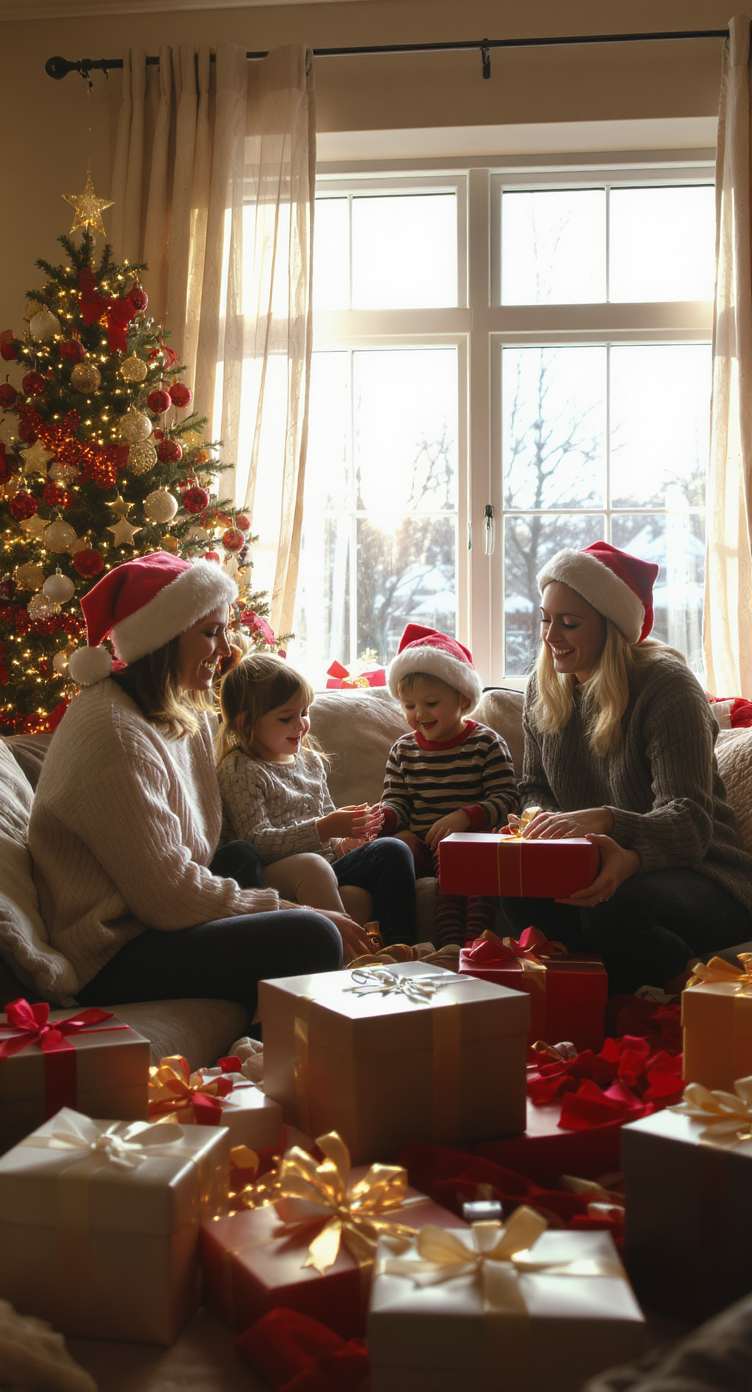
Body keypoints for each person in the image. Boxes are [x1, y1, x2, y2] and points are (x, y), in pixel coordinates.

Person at [28, 552, 370, 1015]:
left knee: (239, 857)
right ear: (163, 638)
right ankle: (267, 1059)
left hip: (150, 918)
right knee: (312, 935)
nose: (227, 649)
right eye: (210, 632)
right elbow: (168, 899)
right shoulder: (116, 735)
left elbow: (200, 856)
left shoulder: (173, 714)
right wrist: (294, 909)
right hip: (114, 951)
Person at [506, 540, 752, 994]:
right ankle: (590, 1002)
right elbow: (533, 785)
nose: (550, 636)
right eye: (545, 619)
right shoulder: (542, 688)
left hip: (706, 873)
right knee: (514, 891)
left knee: (613, 909)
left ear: (611, 625)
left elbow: (690, 821)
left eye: (569, 623)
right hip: (599, 866)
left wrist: (610, 825)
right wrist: (538, 819)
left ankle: (671, 1004)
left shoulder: (667, 687)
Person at [216, 652, 417, 945]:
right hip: (273, 871)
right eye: (287, 717)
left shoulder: (310, 762)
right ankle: (351, 956)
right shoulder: (240, 769)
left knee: (393, 850)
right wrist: (323, 829)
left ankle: (399, 947)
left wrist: (344, 841)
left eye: (304, 713)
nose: (301, 725)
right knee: (313, 865)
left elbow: (327, 826)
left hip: (322, 861)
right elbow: (255, 841)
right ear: (247, 723)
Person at [379, 624, 519, 947]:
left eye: (430, 703)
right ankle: (442, 949)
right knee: (398, 845)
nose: (419, 714)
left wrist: (465, 817)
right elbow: (396, 802)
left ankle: (466, 943)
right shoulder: (402, 750)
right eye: (409, 706)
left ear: (463, 699)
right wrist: (382, 819)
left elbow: (508, 800)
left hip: (472, 844)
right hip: (424, 847)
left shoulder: (486, 744)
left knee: (464, 856)